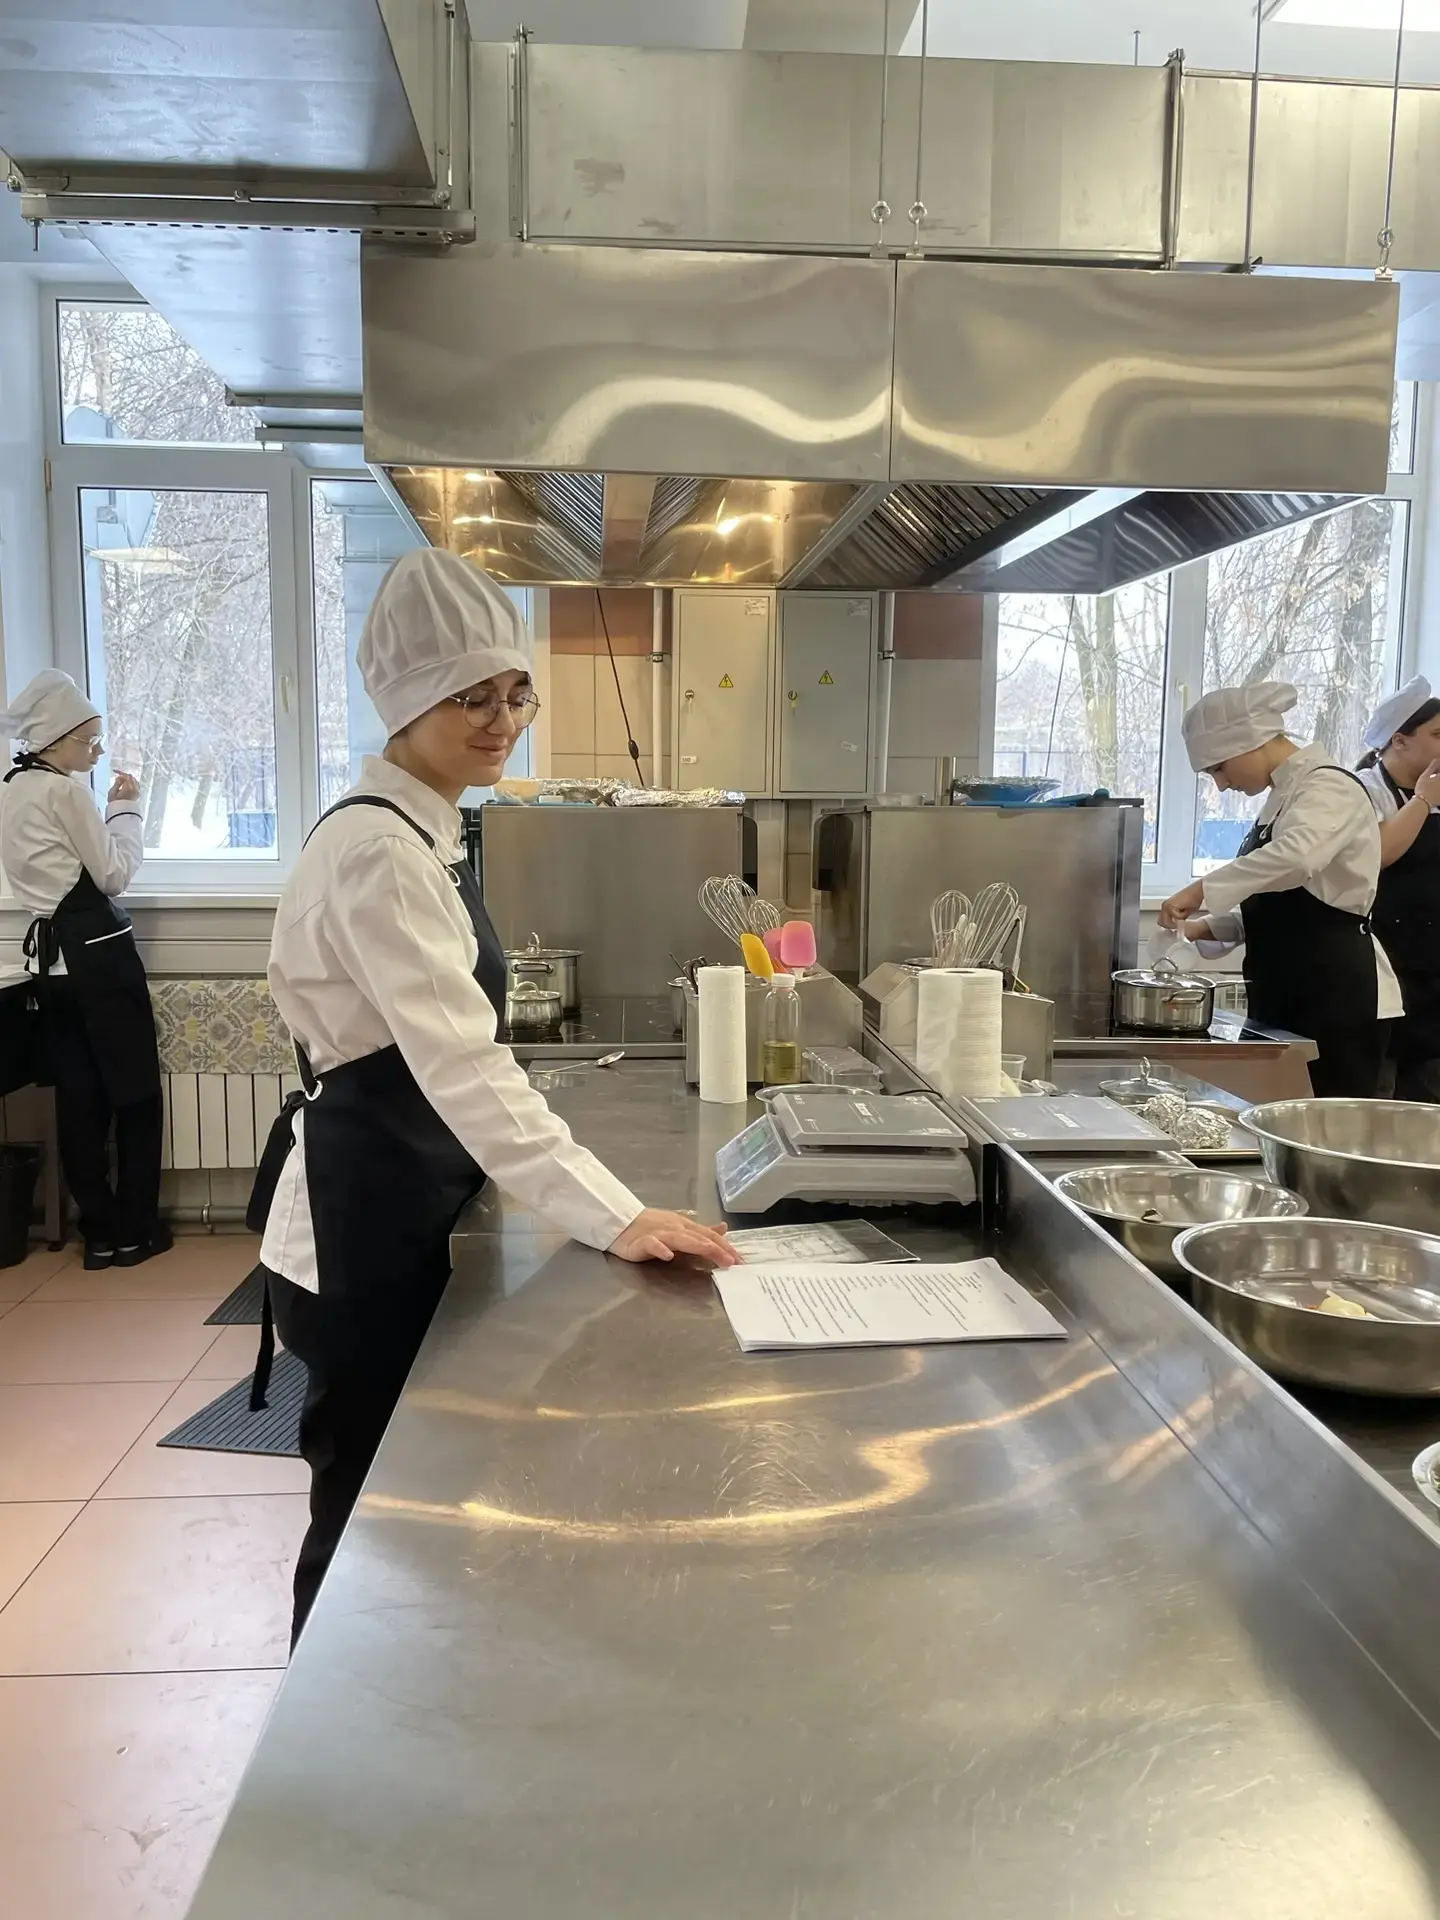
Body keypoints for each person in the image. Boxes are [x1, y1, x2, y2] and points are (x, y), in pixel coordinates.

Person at [250, 549, 737, 1645]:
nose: (501, 720)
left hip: (398, 1191)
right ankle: (329, 1729)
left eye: (515, 693)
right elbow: (462, 1066)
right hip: (362, 1214)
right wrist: (617, 1215)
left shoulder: (422, 829)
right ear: (403, 701)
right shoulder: (379, 853)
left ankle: (388, 1689)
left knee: (405, 1493)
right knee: (365, 1506)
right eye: (468, 697)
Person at [1158, 679, 1399, 1098]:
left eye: (1218, 768)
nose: (1221, 785)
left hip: (1337, 997)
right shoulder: (1284, 796)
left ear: (1249, 743)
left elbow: (1297, 858)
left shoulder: (1329, 787)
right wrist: (1206, 926)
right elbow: (1283, 903)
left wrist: (1200, 890)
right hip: (1287, 991)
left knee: (1326, 1126)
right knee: (1275, 1121)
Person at [0, 671, 167, 1269]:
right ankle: (136, 1231)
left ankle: (97, 1233)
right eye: (89, 740)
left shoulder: (12, 789)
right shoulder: (66, 793)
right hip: (100, 958)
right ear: (55, 739)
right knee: (136, 1094)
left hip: (52, 967)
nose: (97, 751)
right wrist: (126, 810)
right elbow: (113, 875)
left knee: (79, 1099)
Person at [1356, 675, 1440, 1102]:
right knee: (1382, 1095)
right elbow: (1379, 853)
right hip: (1385, 966)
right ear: (1399, 740)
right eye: (1437, 734)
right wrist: (1423, 799)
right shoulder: (1363, 790)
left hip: (1433, 968)